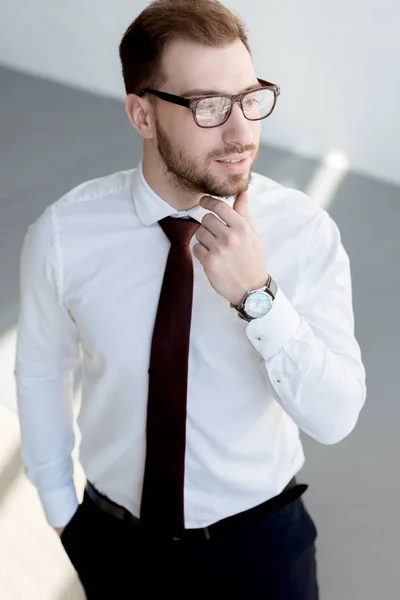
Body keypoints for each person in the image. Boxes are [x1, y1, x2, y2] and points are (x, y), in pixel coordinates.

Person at [14, 0, 367, 598]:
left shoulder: (302, 232)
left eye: (249, 99)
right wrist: (61, 511)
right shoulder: (64, 235)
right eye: (208, 107)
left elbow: (335, 418)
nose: (241, 133)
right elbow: (42, 371)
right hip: (115, 544)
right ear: (142, 114)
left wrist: (259, 296)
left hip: (261, 552)